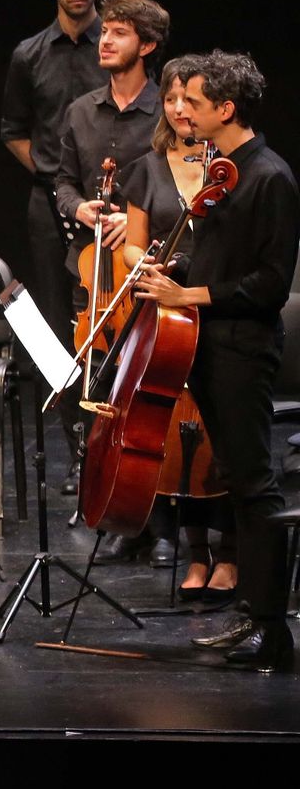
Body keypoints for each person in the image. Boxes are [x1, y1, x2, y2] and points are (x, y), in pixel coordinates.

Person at [134, 50, 298, 671]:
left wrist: (190, 294)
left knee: (255, 487)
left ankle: (272, 631)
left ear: (225, 109)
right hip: (209, 347)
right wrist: (172, 271)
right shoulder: (221, 170)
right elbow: (220, 260)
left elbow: (269, 286)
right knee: (233, 478)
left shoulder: (270, 178)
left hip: (242, 352)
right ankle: (252, 615)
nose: (182, 114)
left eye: (194, 104)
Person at [51, 0, 171, 563]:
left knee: (149, 390)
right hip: (92, 268)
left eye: (119, 33)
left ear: (146, 45)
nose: (105, 40)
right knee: (95, 388)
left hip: (144, 271)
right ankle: (108, 502)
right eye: (106, 31)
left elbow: (174, 184)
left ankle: (160, 512)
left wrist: (133, 218)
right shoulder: (79, 112)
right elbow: (63, 182)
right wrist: (83, 211)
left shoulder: (167, 111)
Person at [115, 58, 234, 602]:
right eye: (170, 100)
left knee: (221, 430)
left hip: (216, 309)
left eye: (189, 100)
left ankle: (230, 551)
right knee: (175, 426)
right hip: (165, 310)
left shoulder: (229, 167)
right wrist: (147, 265)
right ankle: (195, 550)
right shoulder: (147, 166)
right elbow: (136, 240)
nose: (180, 110)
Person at [1, 0, 109, 494]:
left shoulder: (116, 46)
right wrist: (51, 173)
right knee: (58, 326)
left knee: (110, 323)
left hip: (114, 206)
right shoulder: (29, 55)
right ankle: (78, 451)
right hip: (50, 205)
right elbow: (12, 131)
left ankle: (119, 445)